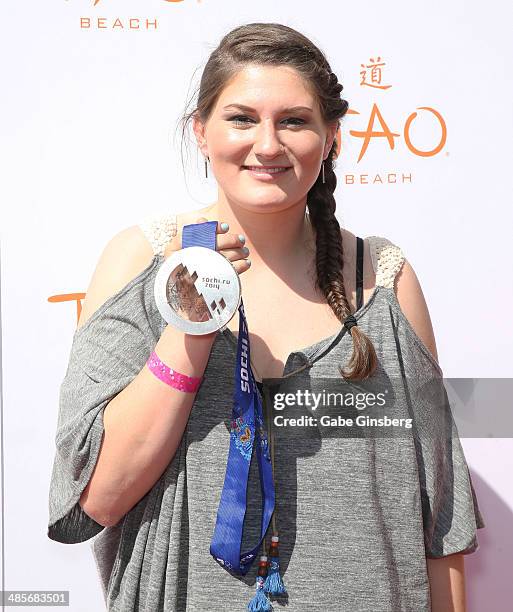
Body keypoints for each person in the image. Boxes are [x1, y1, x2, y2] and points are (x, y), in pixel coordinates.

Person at [47, 22, 485, 612]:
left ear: (332, 137)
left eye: (295, 121)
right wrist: (191, 320)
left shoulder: (384, 277)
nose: (268, 143)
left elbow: (440, 513)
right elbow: (96, 496)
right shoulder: (139, 259)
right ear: (200, 131)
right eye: (242, 118)